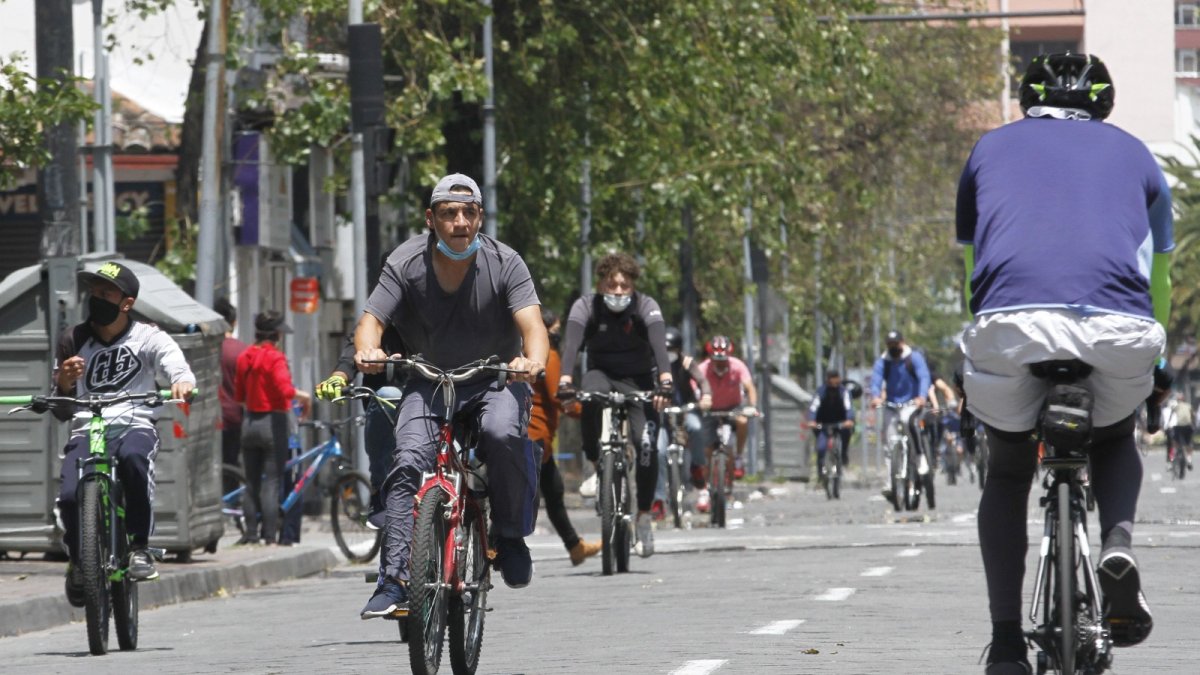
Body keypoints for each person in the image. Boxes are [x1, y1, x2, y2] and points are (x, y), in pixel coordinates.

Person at [956, 53, 1173, 673]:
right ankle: (1118, 546)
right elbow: (1159, 271)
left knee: (1006, 469)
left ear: (1027, 97)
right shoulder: (1137, 154)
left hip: (1010, 325)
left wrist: (978, 344)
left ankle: (1004, 644)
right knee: (1112, 439)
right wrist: (1154, 366)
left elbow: (973, 268)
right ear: (1104, 101)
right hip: (1119, 329)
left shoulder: (988, 148)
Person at [354, 173, 547, 620]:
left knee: (501, 435)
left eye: (468, 213)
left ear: (480, 217)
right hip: (431, 381)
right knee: (407, 462)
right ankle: (394, 580)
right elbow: (371, 319)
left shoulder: (506, 263)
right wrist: (368, 348)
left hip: (496, 380)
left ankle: (510, 535)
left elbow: (533, 327)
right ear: (431, 219)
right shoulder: (405, 262)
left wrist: (530, 361)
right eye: (448, 213)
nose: (459, 222)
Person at [54, 261, 196, 604]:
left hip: (136, 423)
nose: (97, 298)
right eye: (94, 292)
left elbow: (174, 363)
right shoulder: (73, 339)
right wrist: (64, 381)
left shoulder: (149, 335)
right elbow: (61, 410)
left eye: (107, 293)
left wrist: (182, 380)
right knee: (71, 497)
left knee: (134, 458)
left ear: (126, 303)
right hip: (89, 426)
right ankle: (78, 561)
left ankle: (140, 549)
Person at [557, 252, 674, 557]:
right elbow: (571, 347)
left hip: (640, 380)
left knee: (647, 444)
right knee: (590, 398)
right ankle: (597, 466)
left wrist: (666, 381)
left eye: (624, 286)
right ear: (601, 284)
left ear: (633, 285)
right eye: (612, 285)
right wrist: (565, 381)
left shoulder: (646, 307)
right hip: (601, 374)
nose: (619, 291)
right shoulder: (586, 306)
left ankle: (645, 516)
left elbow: (660, 348)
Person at [233, 310, 312, 546]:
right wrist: (305, 397)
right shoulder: (275, 358)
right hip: (273, 423)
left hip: (249, 423)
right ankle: (269, 535)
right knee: (272, 481)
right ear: (277, 334)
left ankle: (250, 533)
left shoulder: (245, 356)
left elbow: (239, 396)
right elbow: (285, 390)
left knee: (251, 481)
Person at [530, 308, 601, 564]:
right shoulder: (547, 354)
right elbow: (558, 396)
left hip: (537, 439)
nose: (557, 337)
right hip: (535, 436)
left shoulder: (523, 352)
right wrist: (586, 410)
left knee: (554, 492)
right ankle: (494, 545)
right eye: (555, 331)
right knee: (527, 497)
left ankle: (574, 546)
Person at [694, 335, 759, 510]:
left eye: (723, 359)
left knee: (742, 420)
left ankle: (737, 457)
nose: (720, 363)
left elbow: (750, 387)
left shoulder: (738, 366)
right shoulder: (702, 368)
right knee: (707, 449)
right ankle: (706, 490)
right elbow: (693, 387)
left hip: (733, 407)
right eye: (716, 359)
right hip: (710, 409)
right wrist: (696, 403)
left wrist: (752, 406)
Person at [654, 326, 712, 516]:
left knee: (695, 428)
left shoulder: (687, 362)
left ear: (679, 350)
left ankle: (697, 467)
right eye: (666, 350)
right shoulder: (654, 363)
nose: (669, 354)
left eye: (672, 350)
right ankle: (659, 500)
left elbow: (702, 381)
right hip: (662, 414)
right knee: (659, 450)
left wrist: (706, 396)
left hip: (685, 410)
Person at [869, 329, 930, 504]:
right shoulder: (884, 361)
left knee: (908, 422)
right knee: (889, 443)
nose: (893, 348)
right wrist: (875, 396)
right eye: (889, 345)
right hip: (891, 405)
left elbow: (924, 377)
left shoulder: (914, 358)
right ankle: (891, 482)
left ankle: (919, 457)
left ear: (902, 343)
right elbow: (876, 380)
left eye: (895, 344)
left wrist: (922, 396)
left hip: (911, 403)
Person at [215, 297, 247, 495]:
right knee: (231, 463)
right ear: (234, 323)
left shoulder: (207, 349)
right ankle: (231, 503)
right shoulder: (242, 351)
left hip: (207, 418)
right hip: (235, 417)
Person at [807, 369, 855, 481]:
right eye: (832, 382)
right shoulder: (821, 392)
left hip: (840, 422)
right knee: (821, 447)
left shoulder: (844, 392)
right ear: (827, 381)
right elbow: (813, 407)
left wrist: (849, 419)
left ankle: (843, 454)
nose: (834, 385)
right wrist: (812, 420)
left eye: (837, 382)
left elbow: (849, 408)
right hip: (823, 422)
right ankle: (821, 469)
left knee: (846, 434)